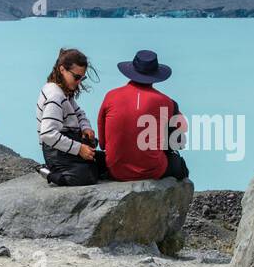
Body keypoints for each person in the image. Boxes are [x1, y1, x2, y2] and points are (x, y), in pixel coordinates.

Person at [96, 49, 190, 182]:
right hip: (153, 170)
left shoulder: (111, 96)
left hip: (115, 170)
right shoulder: (166, 102)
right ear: (155, 75)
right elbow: (180, 134)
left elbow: (103, 144)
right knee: (180, 166)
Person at [37, 47, 105, 186]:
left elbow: (79, 113)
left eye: (82, 77)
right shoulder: (55, 96)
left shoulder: (63, 90)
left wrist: (86, 127)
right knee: (88, 175)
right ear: (62, 70)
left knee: (103, 162)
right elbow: (48, 134)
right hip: (55, 151)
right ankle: (51, 174)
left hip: (65, 143)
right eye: (76, 77)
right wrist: (79, 149)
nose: (79, 81)